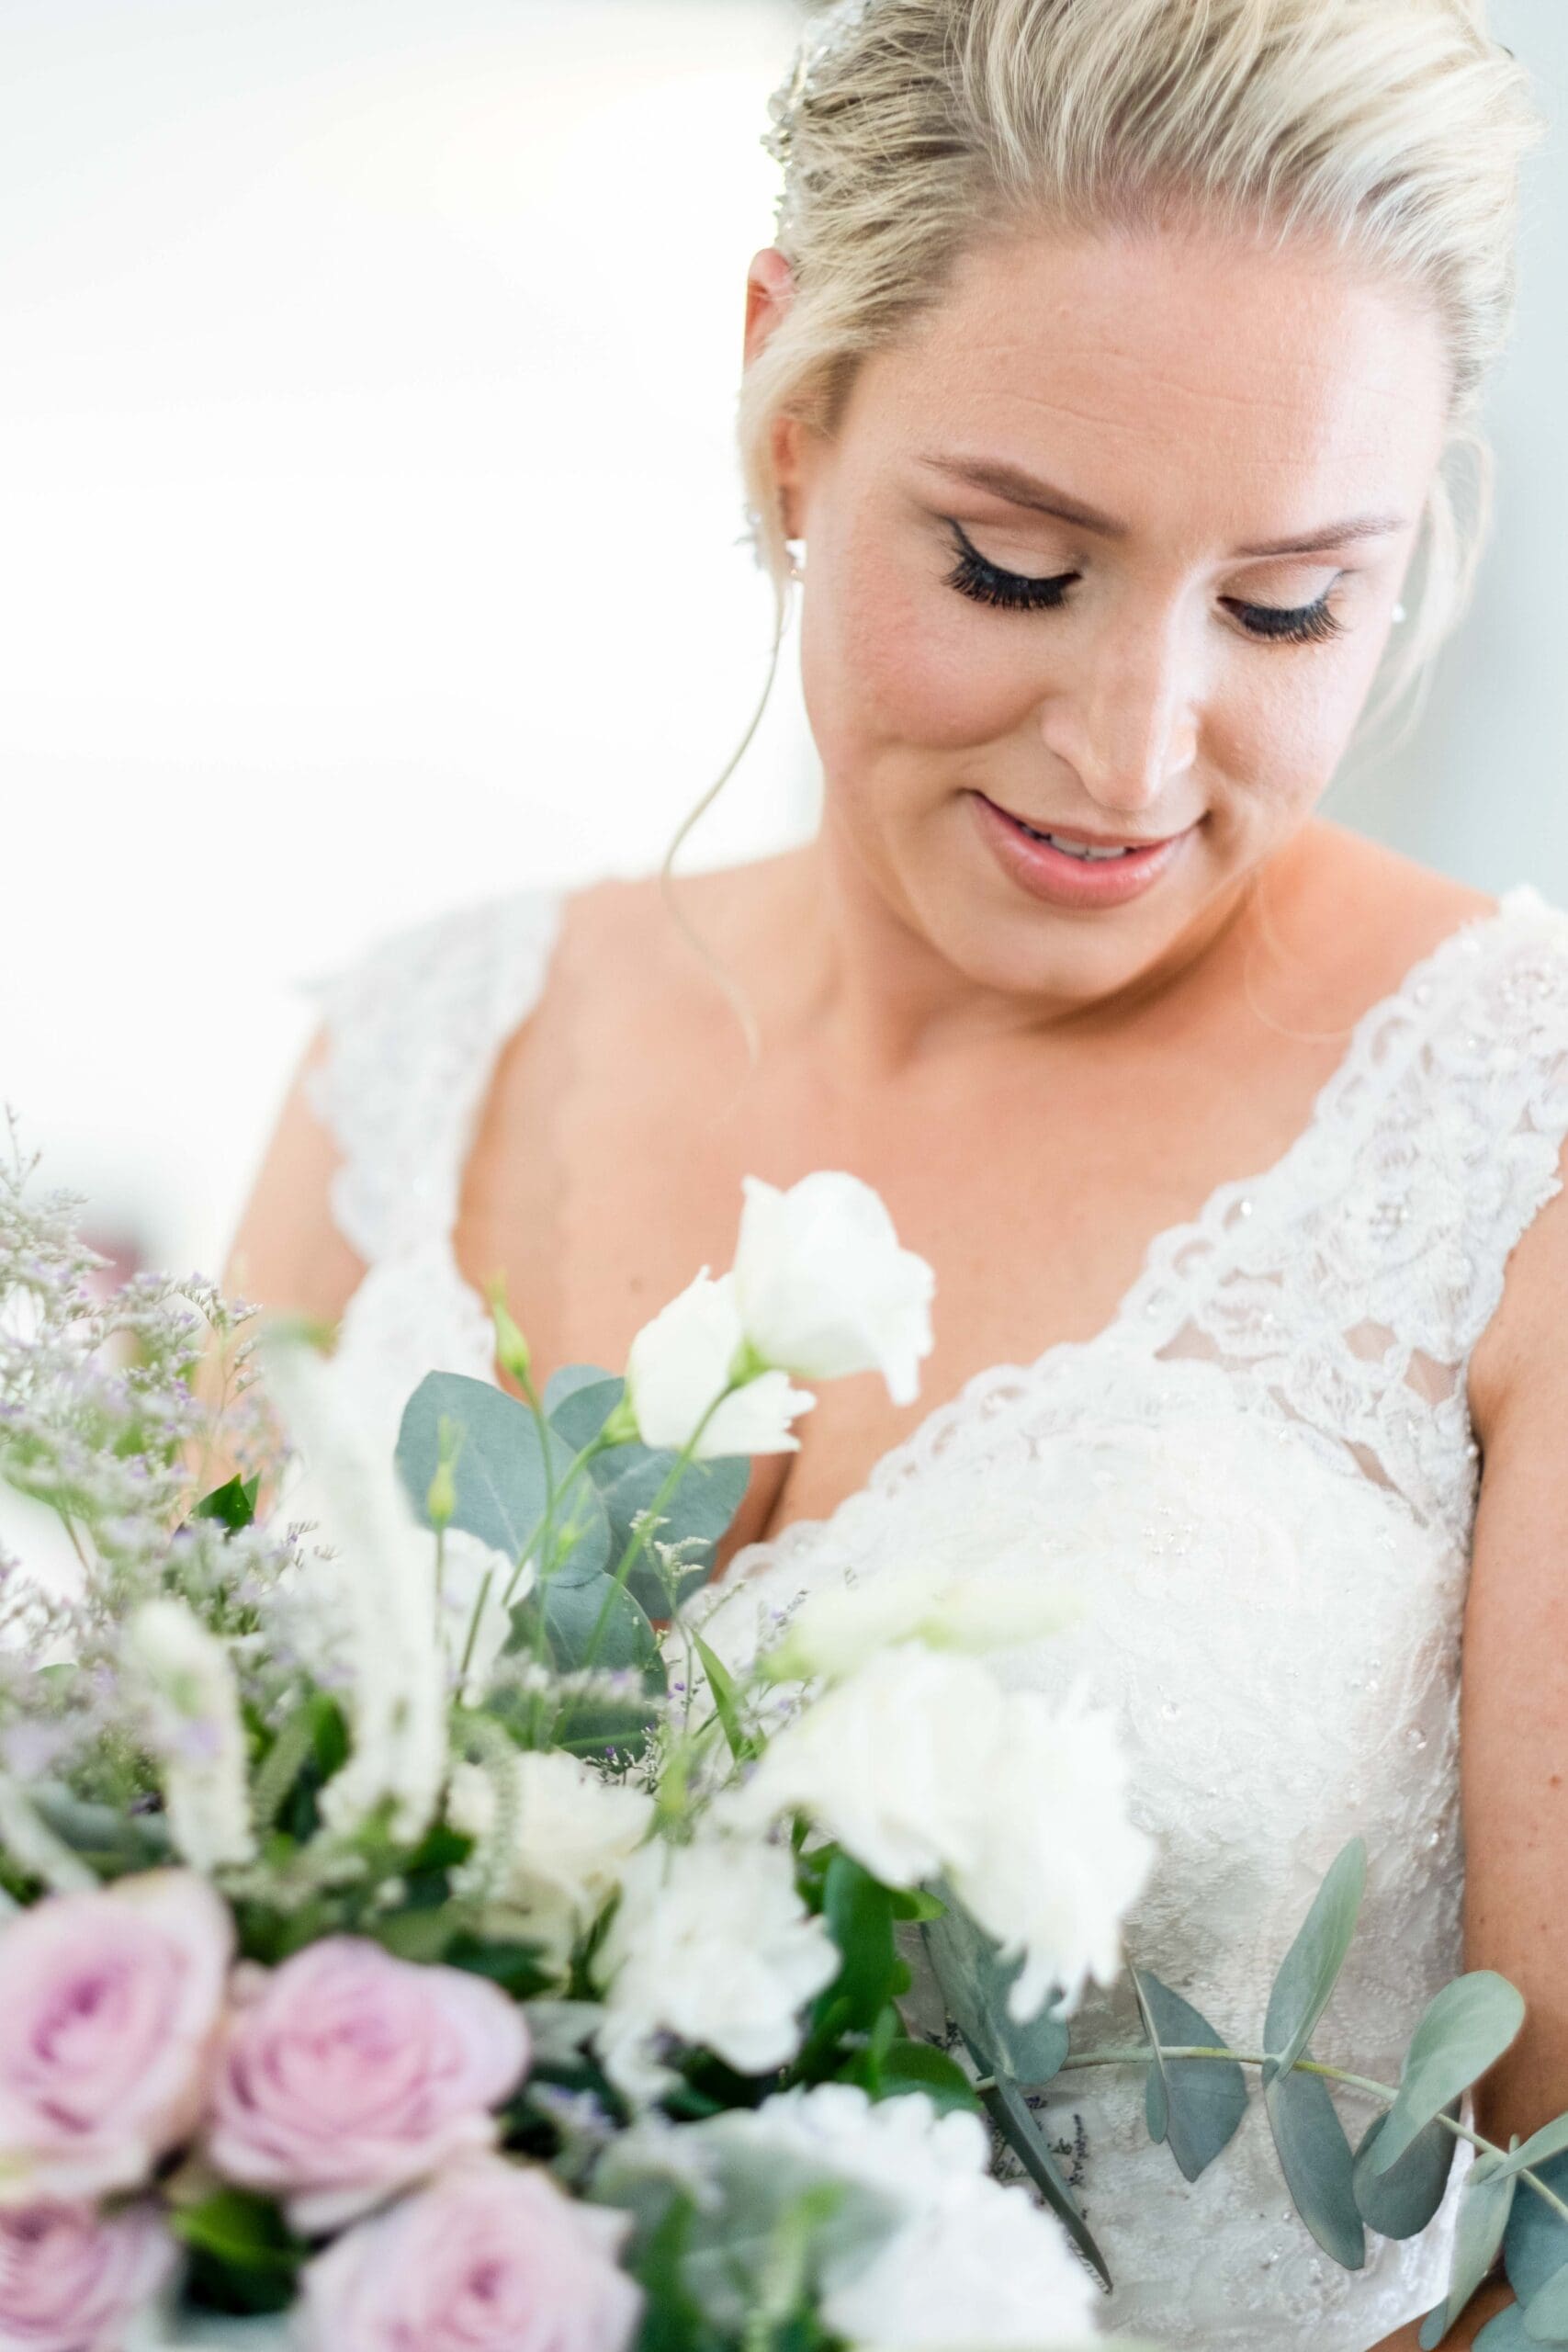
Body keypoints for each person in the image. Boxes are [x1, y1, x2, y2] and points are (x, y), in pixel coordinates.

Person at [227, 2, 1566, 2342]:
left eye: (1284, 607)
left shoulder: (1516, 1120)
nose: (1133, 750)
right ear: (787, 396)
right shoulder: (416, 1059)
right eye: (1014, 567)